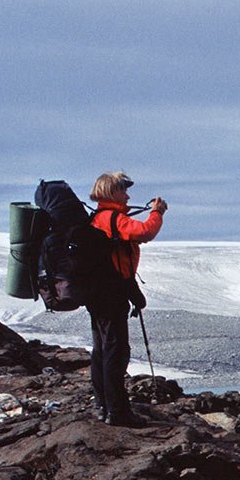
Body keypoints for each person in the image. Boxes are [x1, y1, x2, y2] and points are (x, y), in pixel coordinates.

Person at [87, 171, 166, 427]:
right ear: (112, 192)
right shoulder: (113, 219)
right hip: (110, 294)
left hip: (97, 293)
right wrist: (157, 212)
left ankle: (103, 406)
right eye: (123, 190)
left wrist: (134, 293)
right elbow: (144, 231)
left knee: (102, 349)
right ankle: (118, 412)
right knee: (116, 352)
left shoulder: (97, 219)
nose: (128, 195)